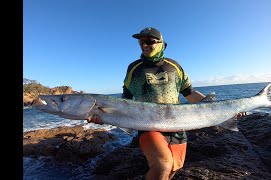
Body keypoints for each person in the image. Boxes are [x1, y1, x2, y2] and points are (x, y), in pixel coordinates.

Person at [87, 27, 246, 180]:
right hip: (149, 126)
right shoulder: (134, 69)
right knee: (163, 165)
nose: (144, 45)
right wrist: (102, 115)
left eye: (149, 41)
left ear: (161, 43)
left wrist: (223, 110)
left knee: (172, 170)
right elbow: (124, 100)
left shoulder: (174, 66)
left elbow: (189, 93)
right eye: (141, 42)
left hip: (177, 127)